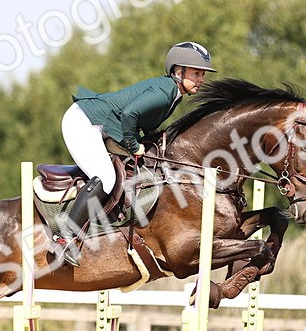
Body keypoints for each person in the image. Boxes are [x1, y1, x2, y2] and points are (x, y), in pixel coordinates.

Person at [52, 41, 217, 266]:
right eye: (196, 73)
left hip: (102, 125)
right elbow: (130, 114)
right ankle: (64, 238)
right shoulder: (164, 92)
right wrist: (132, 145)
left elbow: (143, 121)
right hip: (84, 122)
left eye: (203, 74)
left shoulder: (172, 93)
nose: (201, 79)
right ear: (179, 72)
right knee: (106, 178)